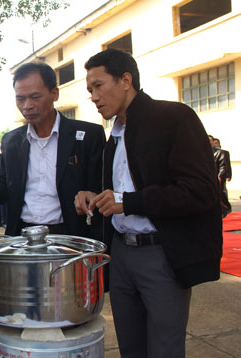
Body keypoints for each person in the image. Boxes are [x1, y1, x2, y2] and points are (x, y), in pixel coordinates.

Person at [75, 49, 222, 358]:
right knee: (131, 347)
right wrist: (96, 197)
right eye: (89, 90)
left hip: (161, 255)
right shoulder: (113, 136)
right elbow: (120, 192)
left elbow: (200, 192)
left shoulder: (174, 117)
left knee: (164, 348)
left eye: (98, 86)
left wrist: (128, 202)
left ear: (125, 80)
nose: (93, 96)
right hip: (121, 255)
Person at [0, 62, 105, 237]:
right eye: (20, 98)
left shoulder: (88, 136)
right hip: (21, 236)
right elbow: (3, 187)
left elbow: (102, 188)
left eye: (35, 97)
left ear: (54, 93)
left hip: (71, 236)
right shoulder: (12, 140)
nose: (27, 105)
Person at [210, 136, 232, 217]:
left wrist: (227, 176)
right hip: (210, 178)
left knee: (222, 192)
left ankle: (226, 208)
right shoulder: (205, 152)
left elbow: (225, 166)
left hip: (219, 177)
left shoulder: (221, 152)